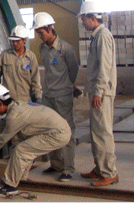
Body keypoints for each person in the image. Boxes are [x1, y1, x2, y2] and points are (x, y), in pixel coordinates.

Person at [0, 84, 71, 197]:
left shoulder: (14, 116)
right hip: (58, 130)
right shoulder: (15, 107)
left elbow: (2, 140)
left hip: (58, 134)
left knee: (21, 150)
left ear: (0, 103)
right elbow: (1, 126)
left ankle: (10, 186)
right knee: (24, 147)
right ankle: (21, 178)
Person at [32, 12, 79, 182]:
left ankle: (68, 168)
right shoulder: (42, 48)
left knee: (66, 131)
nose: (40, 36)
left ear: (50, 28)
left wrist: (66, 86)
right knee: (50, 130)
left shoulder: (66, 49)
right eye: (38, 33)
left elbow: (74, 71)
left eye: (41, 32)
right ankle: (56, 164)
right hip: (48, 96)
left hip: (63, 97)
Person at [78, 1, 119, 186]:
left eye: (83, 19)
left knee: (103, 132)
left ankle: (109, 172)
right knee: (96, 131)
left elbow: (105, 66)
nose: (82, 23)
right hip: (98, 91)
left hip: (102, 93)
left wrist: (99, 91)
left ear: (92, 17)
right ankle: (100, 168)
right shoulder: (97, 36)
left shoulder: (103, 36)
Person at [0, 25, 42, 104]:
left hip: (25, 101)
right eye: (13, 41)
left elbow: (35, 79)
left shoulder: (31, 57)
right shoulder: (5, 55)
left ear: (25, 40)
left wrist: (38, 97)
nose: (15, 43)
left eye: (17, 41)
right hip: (8, 101)